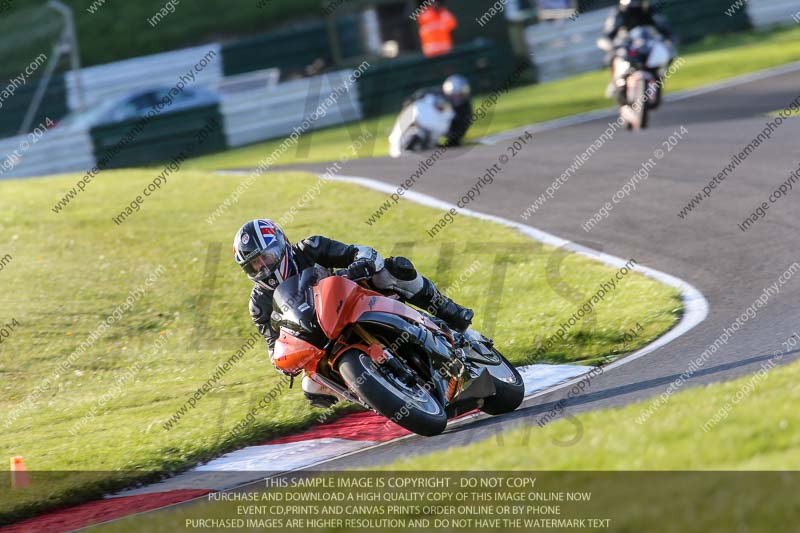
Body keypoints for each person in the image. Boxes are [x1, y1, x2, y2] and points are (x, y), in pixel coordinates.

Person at [233, 219, 474, 407]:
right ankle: (379, 396)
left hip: (352, 304)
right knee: (311, 387)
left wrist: (361, 263)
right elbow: (273, 345)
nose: (262, 267)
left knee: (392, 270)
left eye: (265, 257)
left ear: (280, 243)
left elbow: (359, 252)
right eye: (254, 264)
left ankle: (449, 311)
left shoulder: (310, 247)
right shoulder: (258, 303)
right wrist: (284, 361)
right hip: (319, 340)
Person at [600, 0, 675, 102]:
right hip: (627, 45)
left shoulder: (649, 11)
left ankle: (659, 76)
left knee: (669, 54)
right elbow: (609, 34)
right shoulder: (619, 13)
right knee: (612, 56)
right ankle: (615, 82)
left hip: (647, 44)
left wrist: (668, 40)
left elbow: (663, 27)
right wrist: (611, 45)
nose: (634, 6)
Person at [405, 74, 472, 147]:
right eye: (454, 95)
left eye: (459, 95)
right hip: (423, 121)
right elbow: (413, 100)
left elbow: (460, 131)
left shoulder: (465, 109)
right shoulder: (434, 93)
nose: (456, 98)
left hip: (440, 129)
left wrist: (451, 141)